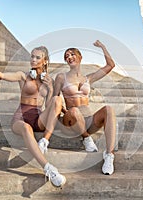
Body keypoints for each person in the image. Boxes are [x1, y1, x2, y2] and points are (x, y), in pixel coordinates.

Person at [0, 46, 66, 187]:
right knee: (26, 128)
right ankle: (48, 168)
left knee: (57, 100)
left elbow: (49, 107)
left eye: (37, 57)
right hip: (21, 117)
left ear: (45, 61)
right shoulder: (23, 76)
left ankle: (44, 141)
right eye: (32, 56)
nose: (33, 60)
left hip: (38, 117)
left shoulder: (48, 81)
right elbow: (1, 76)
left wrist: (52, 89)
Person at [54, 40, 116, 175]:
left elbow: (111, 65)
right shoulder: (61, 77)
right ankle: (86, 138)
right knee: (75, 111)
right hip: (71, 122)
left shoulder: (88, 78)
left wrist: (103, 46)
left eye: (72, 54)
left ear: (80, 57)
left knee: (109, 109)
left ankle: (109, 156)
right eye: (66, 56)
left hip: (88, 120)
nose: (69, 57)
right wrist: (63, 113)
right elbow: (55, 99)